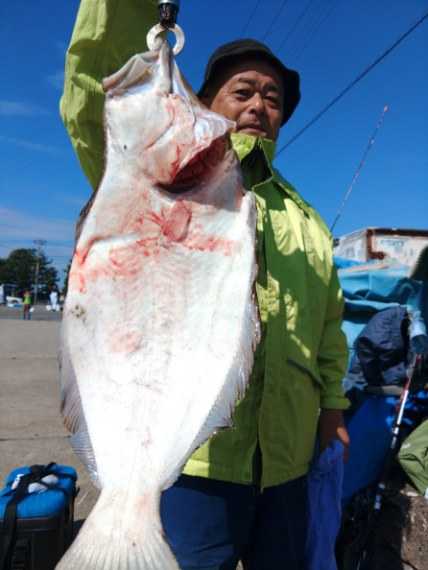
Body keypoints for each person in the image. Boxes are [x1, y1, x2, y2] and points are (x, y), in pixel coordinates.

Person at [61, 2, 350, 568]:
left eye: (272, 99)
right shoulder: (133, 169)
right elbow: (91, 91)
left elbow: (328, 329)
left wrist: (333, 411)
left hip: (287, 463)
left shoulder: (309, 223)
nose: (259, 106)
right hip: (197, 465)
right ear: (207, 103)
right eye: (243, 92)